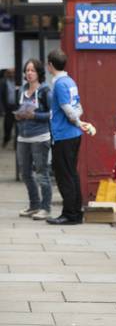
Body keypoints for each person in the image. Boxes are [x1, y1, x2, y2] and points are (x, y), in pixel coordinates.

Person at [46, 50, 88, 225]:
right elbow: (78, 107)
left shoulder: (60, 84)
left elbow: (68, 111)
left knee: (64, 175)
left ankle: (70, 214)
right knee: (71, 174)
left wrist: (78, 122)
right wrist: (79, 121)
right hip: (72, 135)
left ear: (50, 65)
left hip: (64, 135)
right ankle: (75, 212)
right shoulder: (70, 81)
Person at [15, 59, 53, 220]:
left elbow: (52, 114)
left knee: (41, 173)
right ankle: (34, 205)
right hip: (23, 137)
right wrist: (19, 115)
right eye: (27, 70)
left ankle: (45, 207)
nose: (29, 73)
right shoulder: (22, 90)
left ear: (39, 73)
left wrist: (35, 115)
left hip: (40, 137)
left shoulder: (45, 91)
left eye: (32, 70)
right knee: (25, 173)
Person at [1, 68, 17, 147]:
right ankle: (6, 139)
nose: (11, 74)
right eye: (9, 73)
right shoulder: (3, 82)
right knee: (8, 125)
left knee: (18, 125)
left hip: (17, 106)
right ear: (6, 73)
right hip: (8, 107)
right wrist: (2, 109)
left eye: (13, 73)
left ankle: (16, 144)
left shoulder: (18, 81)